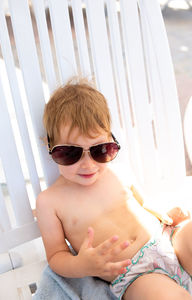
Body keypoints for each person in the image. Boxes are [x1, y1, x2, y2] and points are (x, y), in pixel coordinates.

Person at [36, 78, 192, 300]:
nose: (88, 164)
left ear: (111, 140)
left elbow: (144, 203)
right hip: (135, 274)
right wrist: (81, 265)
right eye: (71, 153)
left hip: (168, 238)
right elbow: (55, 255)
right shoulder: (49, 202)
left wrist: (165, 213)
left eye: (101, 150)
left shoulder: (119, 172)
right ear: (49, 147)